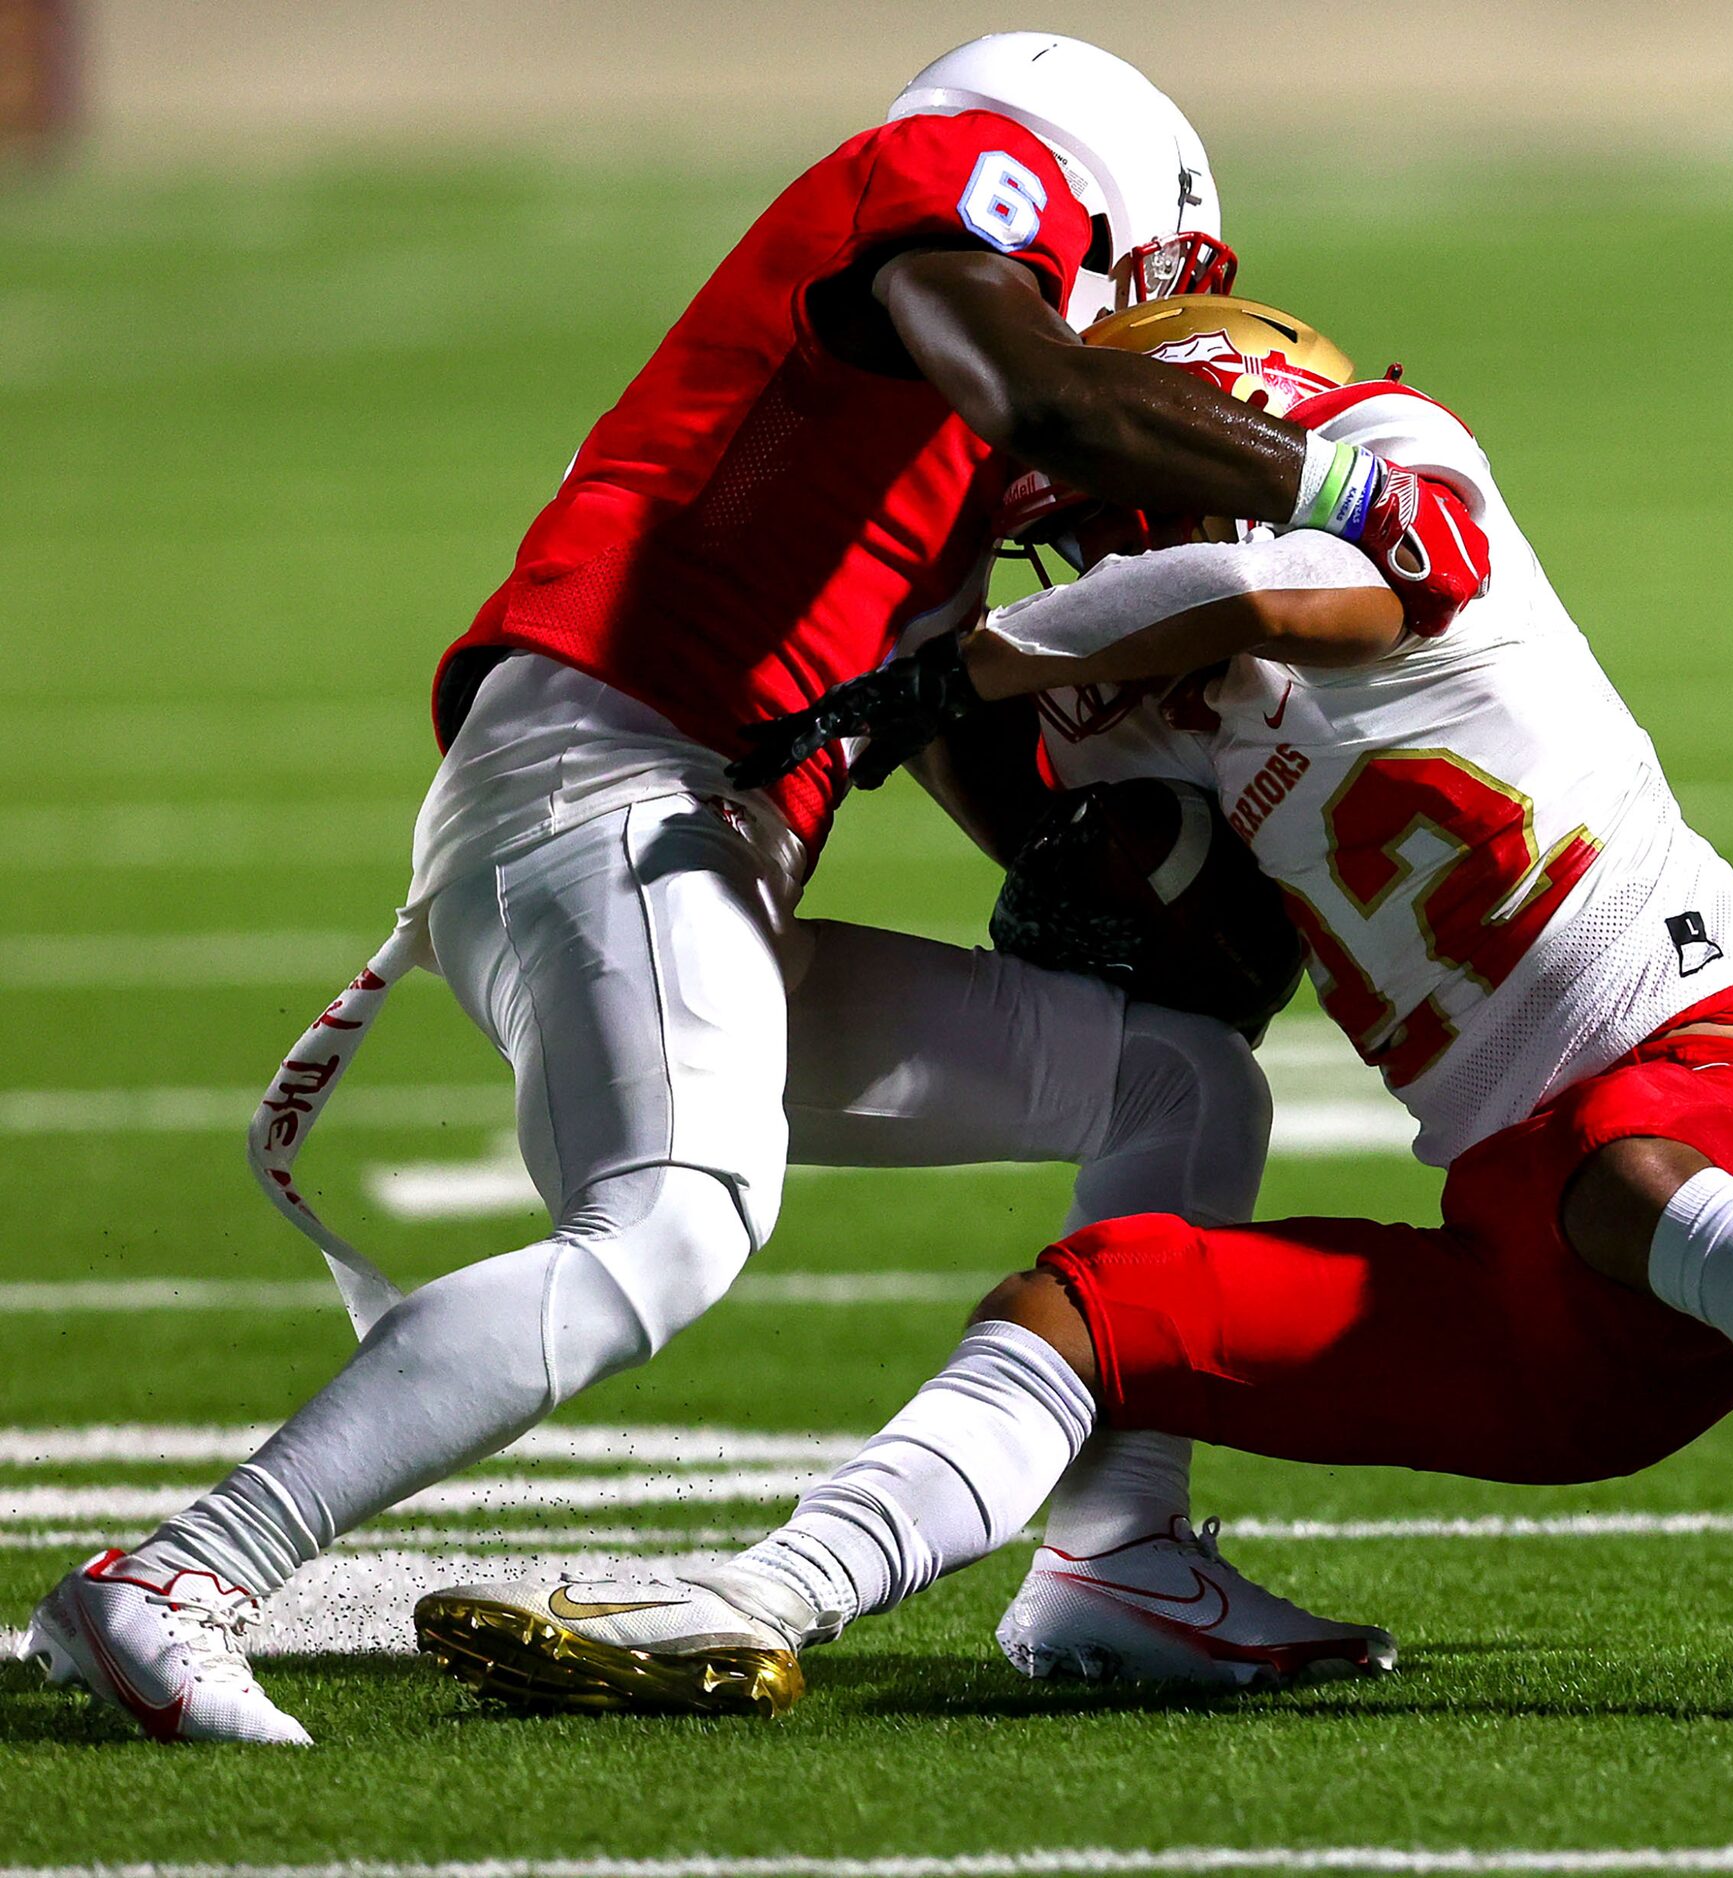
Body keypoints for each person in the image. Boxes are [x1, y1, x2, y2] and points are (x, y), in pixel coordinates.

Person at [409, 295, 1733, 1715]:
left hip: (1682, 1079)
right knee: (1086, 1302)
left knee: (1631, 1178)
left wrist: (981, 657)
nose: (1099, 539)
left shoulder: (1398, 469)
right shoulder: (1173, 693)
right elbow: (1040, 767)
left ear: (1236, 416)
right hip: (1521, 1293)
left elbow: (1256, 586)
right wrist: (878, 646)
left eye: (1120, 493)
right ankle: (762, 1600)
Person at [19, 43, 1473, 1746]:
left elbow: (937, 706)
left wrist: (1130, 879)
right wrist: (1343, 492)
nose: (1150, 325)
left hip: (682, 833)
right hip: (610, 778)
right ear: (1110, 194)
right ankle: (181, 1574)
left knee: (1175, 1071)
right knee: (669, 1223)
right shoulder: (962, 176)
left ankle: (1115, 1551)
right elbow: (1047, 397)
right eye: (1157, 286)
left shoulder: (919, 440)